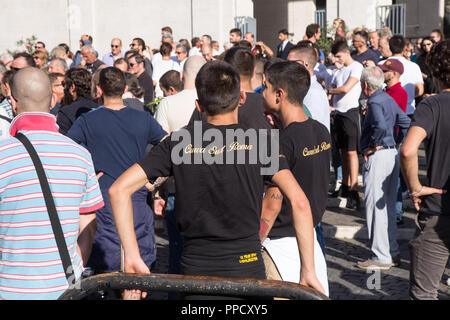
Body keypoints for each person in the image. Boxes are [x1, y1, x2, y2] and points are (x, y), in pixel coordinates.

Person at [109, 60, 325, 300]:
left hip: (196, 274)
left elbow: (118, 190)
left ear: (199, 105)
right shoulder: (262, 142)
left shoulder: (179, 142)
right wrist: (308, 270)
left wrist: (131, 255)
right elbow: (300, 202)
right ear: (241, 98)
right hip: (248, 270)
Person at [0, 67, 103, 300]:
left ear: (13, 103)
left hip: (9, 288)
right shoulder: (80, 155)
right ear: (53, 100)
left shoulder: (3, 154)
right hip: (64, 288)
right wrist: (73, 271)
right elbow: (89, 224)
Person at [66, 67, 166, 278]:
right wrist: (156, 180)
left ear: (99, 89)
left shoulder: (87, 120)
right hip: (135, 196)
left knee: (106, 270)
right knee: (139, 267)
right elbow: (170, 146)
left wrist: (87, 178)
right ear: (126, 89)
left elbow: (66, 151)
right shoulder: (143, 119)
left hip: (103, 198)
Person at [259, 60, 331, 296]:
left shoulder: (279, 144)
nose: (262, 93)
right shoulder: (321, 130)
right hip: (310, 243)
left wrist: (251, 247)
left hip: (280, 250)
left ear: (279, 94)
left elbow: (272, 204)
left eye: (265, 87)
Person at [400, 39, 450, 300]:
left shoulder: (432, 105)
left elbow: (408, 150)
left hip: (439, 209)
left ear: (434, 71)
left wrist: (414, 187)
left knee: (424, 294)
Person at [357, 66, 410, 270]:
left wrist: (375, 144)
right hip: (391, 154)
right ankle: (391, 251)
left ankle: (381, 256)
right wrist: (397, 141)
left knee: (374, 208)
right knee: (387, 206)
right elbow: (404, 121)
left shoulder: (375, 101)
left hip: (378, 155)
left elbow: (379, 125)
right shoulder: (388, 98)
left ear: (365, 85)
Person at [328, 40, 364, 209]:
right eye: (335, 57)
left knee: (351, 152)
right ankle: (345, 184)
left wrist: (329, 91)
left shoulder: (356, 67)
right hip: (337, 113)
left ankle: (354, 188)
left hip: (350, 112)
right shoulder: (338, 71)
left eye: (339, 56)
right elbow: (335, 87)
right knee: (342, 151)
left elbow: (345, 88)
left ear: (347, 53)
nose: (338, 59)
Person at [287, 44, 330, 132]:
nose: (286, 68)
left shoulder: (312, 92)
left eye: (289, 63)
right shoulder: (306, 89)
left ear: (302, 64)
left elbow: (310, 130)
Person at [384, 35, 424, 116]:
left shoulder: (382, 64)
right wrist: (409, 96)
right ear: (404, 48)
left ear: (390, 47)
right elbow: (420, 91)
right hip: (408, 111)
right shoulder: (413, 66)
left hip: (387, 112)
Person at [57, 67, 98, 135]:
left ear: (72, 87)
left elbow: (63, 141)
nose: (63, 88)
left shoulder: (66, 112)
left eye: (64, 84)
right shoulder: (100, 107)